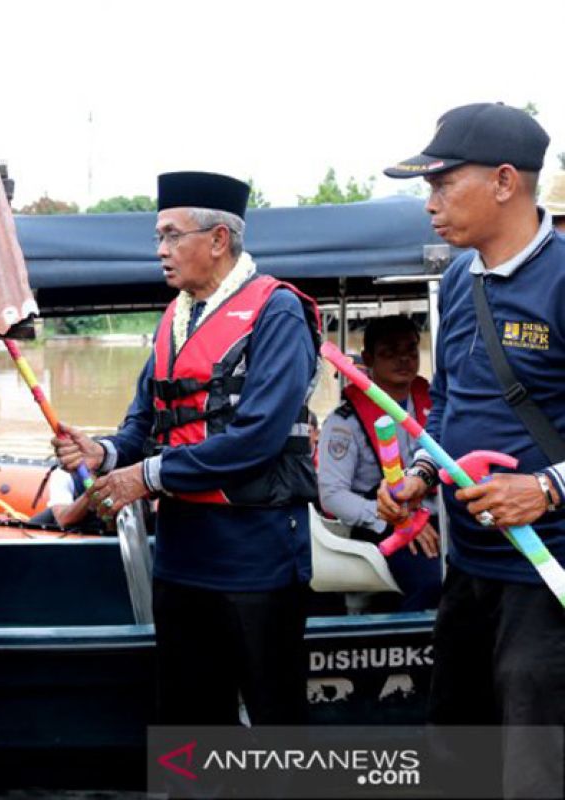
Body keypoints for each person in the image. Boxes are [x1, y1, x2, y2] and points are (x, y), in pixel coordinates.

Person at [53, 171, 321, 726]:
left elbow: (258, 439)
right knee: (187, 718)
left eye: (172, 236)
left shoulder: (278, 314)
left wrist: (144, 477)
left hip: (258, 560)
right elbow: (140, 425)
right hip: (181, 560)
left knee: (277, 718)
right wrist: (101, 453)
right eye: (158, 238)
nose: (161, 252)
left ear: (218, 240)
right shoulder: (173, 321)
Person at [379, 102, 565, 797]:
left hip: (548, 575)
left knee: (534, 770)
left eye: (442, 184)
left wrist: (547, 488)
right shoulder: (457, 281)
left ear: (505, 181)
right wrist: (422, 475)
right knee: (456, 752)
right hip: (471, 566)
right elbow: (453, 403)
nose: (429, 204)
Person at [318, 315, 441, 612]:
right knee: (432, 583)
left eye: (411, 350)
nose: (403, 359)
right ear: (369, 358)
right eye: (390, 351)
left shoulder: (438, 408)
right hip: (382, 523)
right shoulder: (344, 423)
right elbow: (332, 496)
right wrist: (394, 517)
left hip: (441, 518)